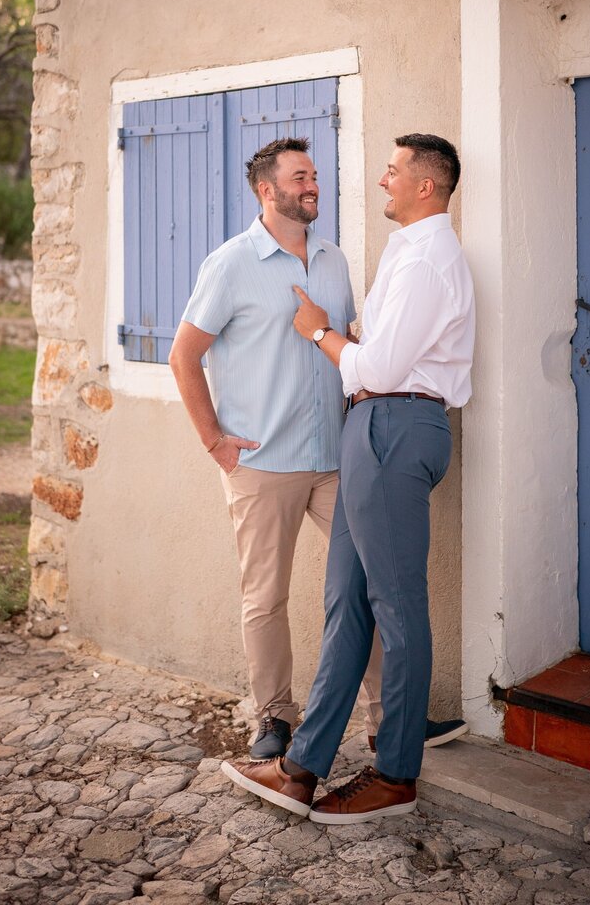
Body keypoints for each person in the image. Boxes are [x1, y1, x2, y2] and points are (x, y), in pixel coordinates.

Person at [222, 133, 475, 823]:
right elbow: (374, 349)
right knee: (347, 607)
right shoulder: (405, 252)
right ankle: (302, 767)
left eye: (392, 171)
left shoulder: (430, 259)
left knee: (396, 606)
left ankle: (396, 774)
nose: (381, 180)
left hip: (395, 425)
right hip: (370, 429)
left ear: (426, 185)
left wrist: (317, 332)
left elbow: (381, 368)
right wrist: (351, 342)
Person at [168, 136, 383, 759]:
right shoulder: (230, 264)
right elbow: (184, 356)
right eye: (300, 177)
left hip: (335, 460)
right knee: (266, 597)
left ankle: (384, 717)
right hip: (262, 463)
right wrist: (215, 441)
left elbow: (342, 344)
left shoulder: (335, 260)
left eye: (314, 175)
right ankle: (273, 719)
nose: (313, 185)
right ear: (268, 190)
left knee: (367, 585)